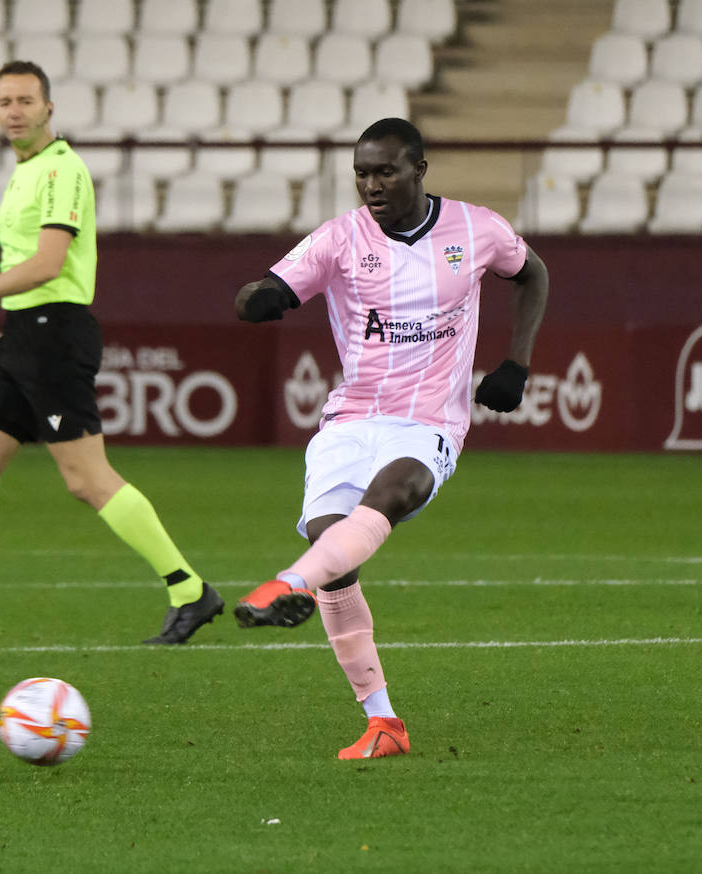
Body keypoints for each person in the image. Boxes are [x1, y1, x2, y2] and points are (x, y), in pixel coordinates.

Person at [231, 118, 548, 759]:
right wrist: (258, 298)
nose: (372, 185)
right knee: (334, 549)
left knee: (395, 493)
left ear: (419, 170)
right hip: (350, 420)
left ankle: (289, 583)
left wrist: (517, 362)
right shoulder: (339, 239)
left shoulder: (475, 229)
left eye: (386, 171)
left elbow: (533, 273)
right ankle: (384, 723)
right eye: (362, 174)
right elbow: (264, 288)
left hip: (429, 421)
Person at [0, 60, 221, 646]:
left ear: (48, 108)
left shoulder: (63, 171)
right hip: (22, 335)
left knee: (87, 479)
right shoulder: (27, 170)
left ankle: (189, 588)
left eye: (25, 101)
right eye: (4, 101)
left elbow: (48, 265)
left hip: (54, 333)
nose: (14, 111)